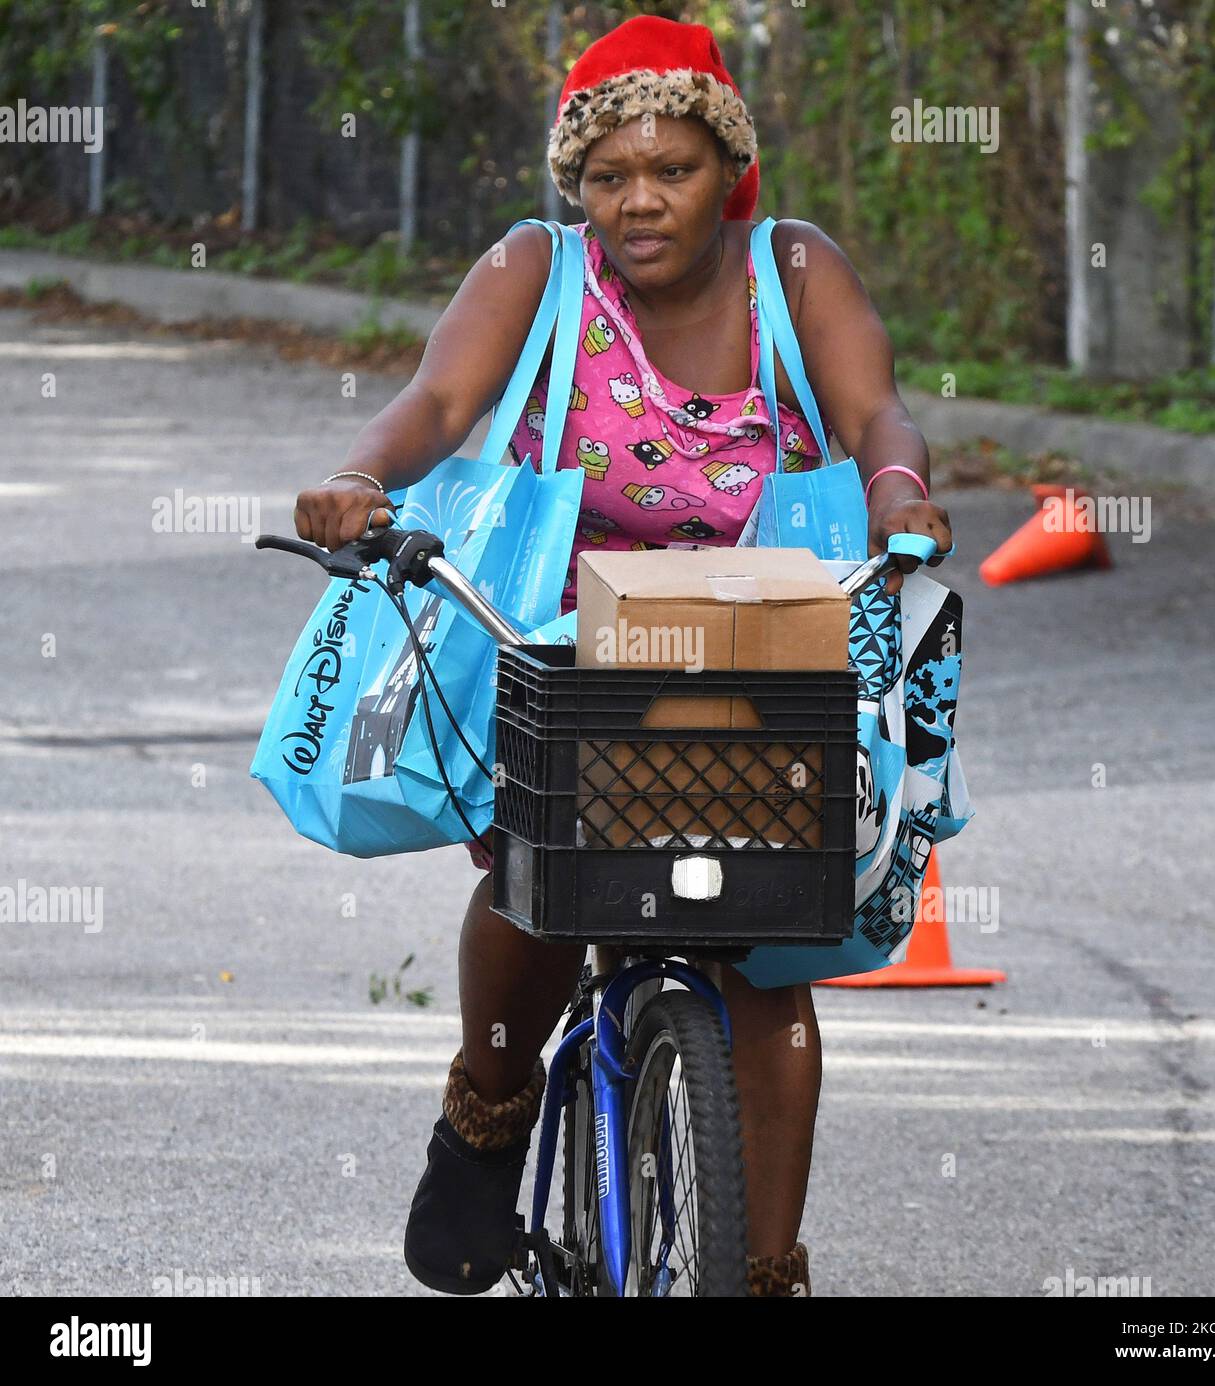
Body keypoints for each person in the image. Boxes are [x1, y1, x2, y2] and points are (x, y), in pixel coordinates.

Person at [293, 15, 953, 1297]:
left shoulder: (792, 270)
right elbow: (437, 401)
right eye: (607, 177)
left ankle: (762, 1271)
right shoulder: (536, 268)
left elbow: (876, 408)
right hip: (568, 636)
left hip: (762, 633)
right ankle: (488, 1113)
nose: (639, 201)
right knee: (546, 878)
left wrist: (899, 489)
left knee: (767, 946)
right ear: (574, 185)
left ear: (729, 173)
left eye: (673, 171)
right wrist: (357, 476)